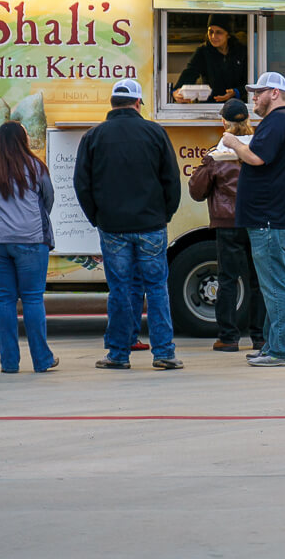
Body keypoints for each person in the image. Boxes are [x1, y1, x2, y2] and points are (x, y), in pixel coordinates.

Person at [74, 79, 184, 371]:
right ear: (137, 104)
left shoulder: (93, 137)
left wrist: (97, 217)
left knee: (120, 289)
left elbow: (82, 185)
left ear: (112, 103)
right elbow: (172, 181)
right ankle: (164, 352)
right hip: (151, 224)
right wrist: (165, 214)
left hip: (112, 226)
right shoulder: (155, 133)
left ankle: (119, 353)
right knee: (157, 288)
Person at [221, 71, 285, 368]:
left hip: (271, 219)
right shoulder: (283, 122)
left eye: (258, 92)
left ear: (275, 93)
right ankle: (272, 345)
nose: (253, 98)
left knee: (275, 286)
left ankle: (282, 350)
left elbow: (257, 158)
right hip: (274, 218)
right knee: (274, 284)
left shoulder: (278, 121)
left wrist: (233, 143)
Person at [188, 98, 265, 352]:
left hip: (227, 223)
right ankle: (260, 337)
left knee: (228, 280)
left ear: (223, 122)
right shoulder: (260, 148)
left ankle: (229, 337)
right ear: (248, 120)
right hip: (257, 222)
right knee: (259, 280)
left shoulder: (218, 153)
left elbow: (197, 191)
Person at [0, 121, 58, 373]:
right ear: (22, 140)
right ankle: (42, 360)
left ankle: (9, 362)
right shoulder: (36, 167)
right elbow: (48, 199)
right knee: (33, 299)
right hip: (31, 240)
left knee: (4, 300)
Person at [171, 16, 247, 103]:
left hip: (236, 105)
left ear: (228, 34)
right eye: (210, 32)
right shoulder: (203, 51)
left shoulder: (240, 51)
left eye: (219, 32)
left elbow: (249, 82)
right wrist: (176, 92)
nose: (213, 36)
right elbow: (189, 73)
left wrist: (235, 92)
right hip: (210, 104)